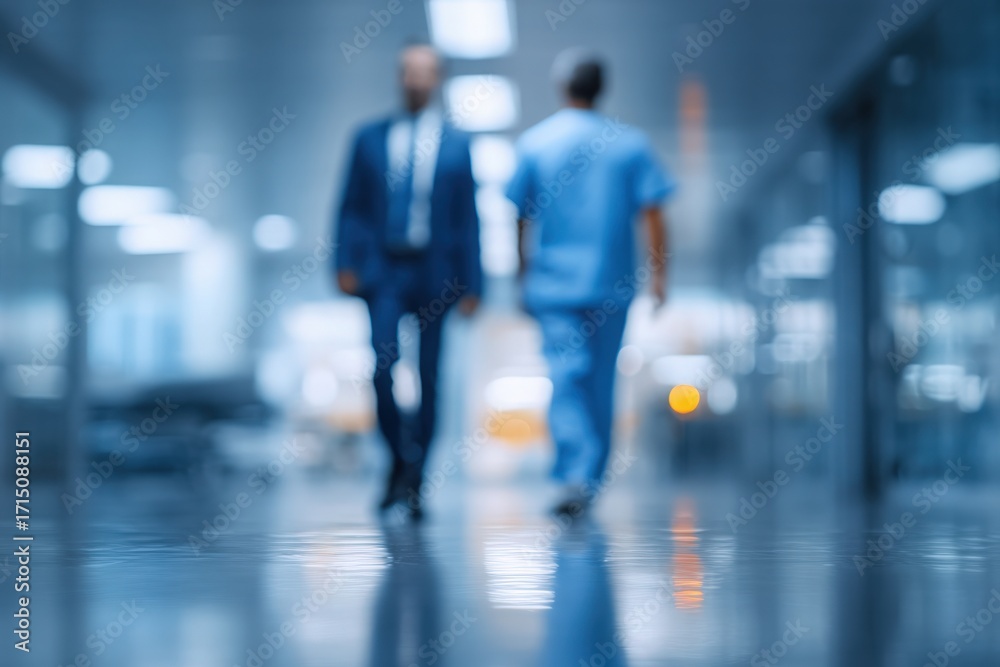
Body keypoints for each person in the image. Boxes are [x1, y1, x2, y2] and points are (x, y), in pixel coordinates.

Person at [505, 49, 674, 517]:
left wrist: (522, 273)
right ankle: (588, 477)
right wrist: (660, 274)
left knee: (567, 377)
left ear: (562, 88)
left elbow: (519, 214)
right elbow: (654, 213)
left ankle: (575, 476)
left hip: (554, 287)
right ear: (603, 89)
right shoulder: (631, 145)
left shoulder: (536, 145)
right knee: (600, 382)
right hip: (611, 285)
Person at [334, 43, 482, 518]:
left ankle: (417, 479)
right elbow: (351, 206)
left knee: (431, 376)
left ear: (438, 79)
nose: (416, 80)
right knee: (382, 366)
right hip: (384, 271)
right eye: (408, 71)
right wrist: (344, 261)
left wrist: (474, 284)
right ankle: (398, 462)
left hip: (436, 273)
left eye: (426, 72)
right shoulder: (369, 138)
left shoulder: (458, 144)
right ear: (399, 77)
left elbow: (468, 219)